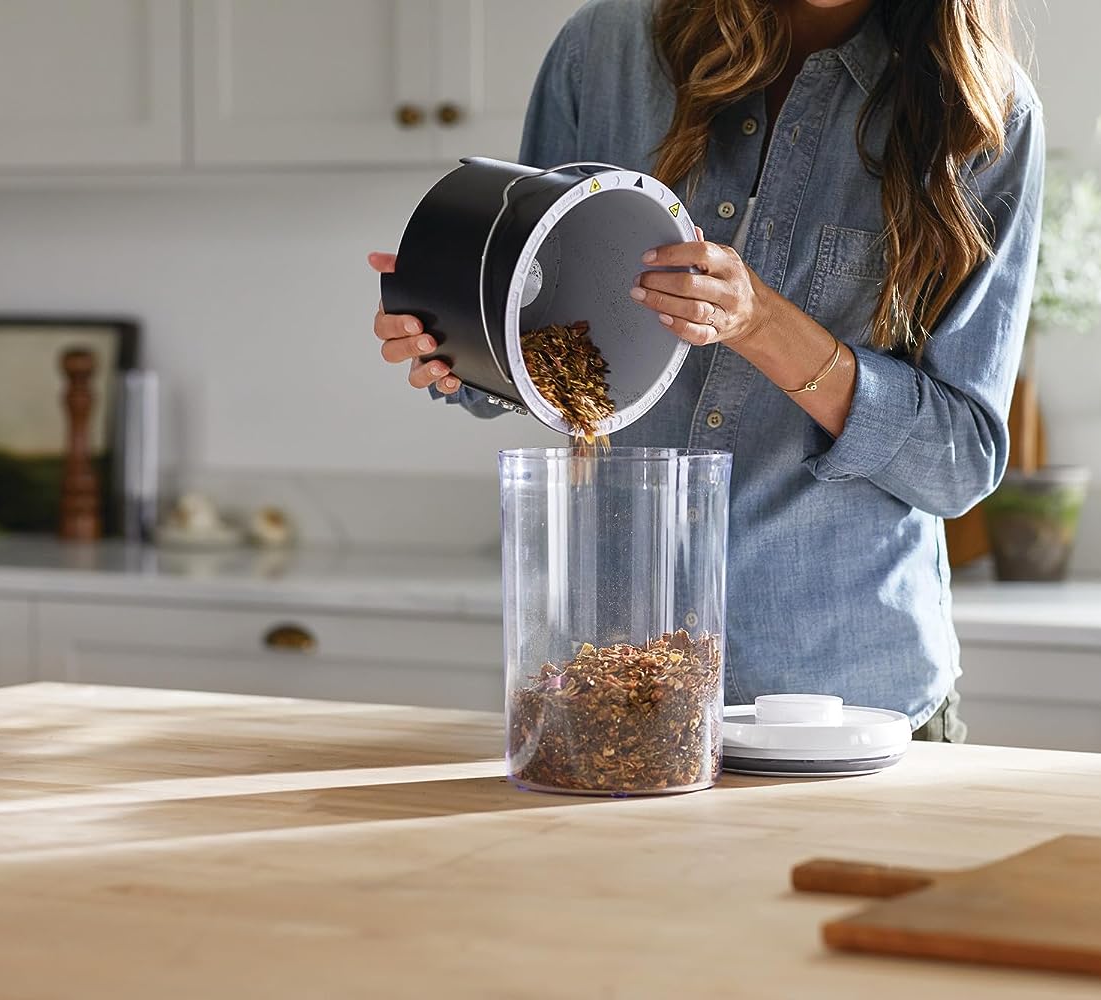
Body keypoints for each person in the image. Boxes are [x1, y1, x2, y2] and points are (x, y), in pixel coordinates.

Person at [368, 0, 1043, 742]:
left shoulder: (984, 115)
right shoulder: (605, 52)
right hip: (616, 691)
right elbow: (527, 321)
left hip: (846, 709)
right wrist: (452, 337)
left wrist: (762, 324)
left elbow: (959, 463)